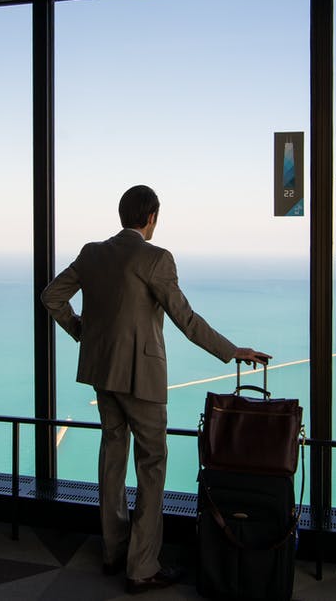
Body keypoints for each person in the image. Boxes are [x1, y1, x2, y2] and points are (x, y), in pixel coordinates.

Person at [41, 185, 271, 594]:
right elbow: (186, 319)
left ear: (122, 215)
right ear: (152, 218)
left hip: (101, 373)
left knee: (113, 457)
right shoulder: (155, 258)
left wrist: (83, 332)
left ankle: (114, 550)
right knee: (152, 465)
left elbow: (51, 297)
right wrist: (232, 351)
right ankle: (142, 566)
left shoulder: (92, 252)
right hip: (141, 381)